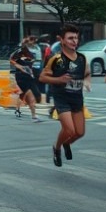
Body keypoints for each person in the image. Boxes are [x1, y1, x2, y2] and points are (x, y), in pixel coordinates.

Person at [40, 24, 90, 167]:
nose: (74, 41)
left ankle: (67, 143)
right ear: (61, 40)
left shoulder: (82, 58)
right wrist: (58, 80)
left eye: (76, 38)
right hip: (61, 98)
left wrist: (87, 82)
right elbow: (42, 77)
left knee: (79, 133)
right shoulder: (55, 59)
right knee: (69, 129)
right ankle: (57, 148)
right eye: (70, 38)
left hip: (77, 98)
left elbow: (87, 74)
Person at [9, 46, 42, 122]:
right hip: (22, 78)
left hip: (29, 78)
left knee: (22, 95)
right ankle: (34, 116)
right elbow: (11, 59)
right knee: (30, 97)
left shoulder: (31, 57)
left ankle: (17, 110)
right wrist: (19, 66)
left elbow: (32, 66)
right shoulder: (18, 58)